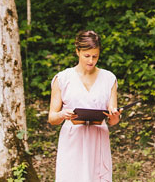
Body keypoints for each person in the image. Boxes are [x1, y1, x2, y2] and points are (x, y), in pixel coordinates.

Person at [49, 30, 121, 182]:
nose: (91, 61)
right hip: (73, 139)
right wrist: (63, 114)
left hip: (98, 138)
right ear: (77, 52)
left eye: (95, 56)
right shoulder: (63, 78)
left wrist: (115, 116)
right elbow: (52, 118)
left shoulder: (109, 78)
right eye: (86, 56)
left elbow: (113, 121)